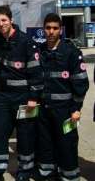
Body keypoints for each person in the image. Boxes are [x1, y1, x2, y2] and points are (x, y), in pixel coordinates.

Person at [0, 5, 44, 181]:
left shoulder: (27, 41)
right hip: (3, 96)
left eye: (4, 20)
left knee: (25, 135)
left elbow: (37, 73)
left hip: (25, 97)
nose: (1, 23)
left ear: (11, 20)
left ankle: (24, 171)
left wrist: (33, 98)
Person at [37, 13, 89, 181]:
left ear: (61, 30)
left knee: (66, 145)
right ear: (43, 30)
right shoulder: (39, 51)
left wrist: (76, 109)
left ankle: (69, 176)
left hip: (65, 111)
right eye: (48, 28)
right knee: (45, 144)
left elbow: (81, 84)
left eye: (55, 28)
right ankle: (48, 174)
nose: (51, 31)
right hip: (44, 110)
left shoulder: (71, 52)